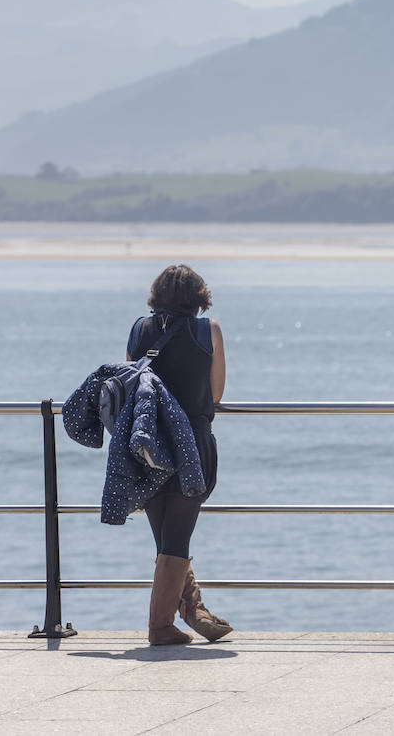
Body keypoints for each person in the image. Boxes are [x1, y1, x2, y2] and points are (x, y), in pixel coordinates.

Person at [128, 264, 232, 645]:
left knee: (166, 539)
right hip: (192, 440)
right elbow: (216, 395)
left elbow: (133, 384)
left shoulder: (139, 329)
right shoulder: (209, 331)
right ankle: (160, 627)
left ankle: (192, 611)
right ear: (199, 297)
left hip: (148, 443)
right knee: (177, 540)